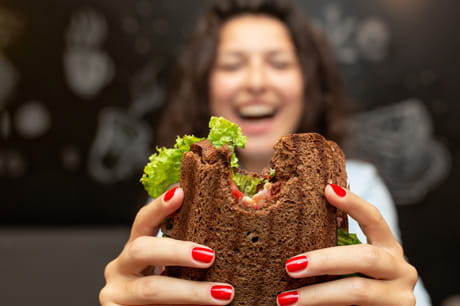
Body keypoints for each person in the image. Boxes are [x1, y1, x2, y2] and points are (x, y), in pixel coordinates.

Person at [99, 0, 431, 305]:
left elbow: (401, 290)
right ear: (205, 88)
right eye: (232, 65)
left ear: (307, 84)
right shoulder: (178, 195)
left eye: (279, 62)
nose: (256, 82)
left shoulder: (361, 185)